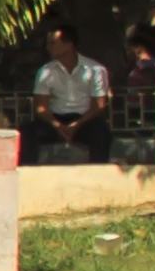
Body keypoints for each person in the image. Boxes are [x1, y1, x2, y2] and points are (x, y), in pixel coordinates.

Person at [25, 22, 112, 165]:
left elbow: (99, 105)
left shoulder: (96, 69)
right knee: (27, 132)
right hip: (54, 119)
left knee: (101, 133)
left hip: (84, 119)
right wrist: (58, 125)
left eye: (53, 43)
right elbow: (41, 107)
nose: (48, 48)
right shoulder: (45, 71)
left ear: (69, 44)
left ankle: (98, 173)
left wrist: (76, 125)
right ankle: (27, 173)